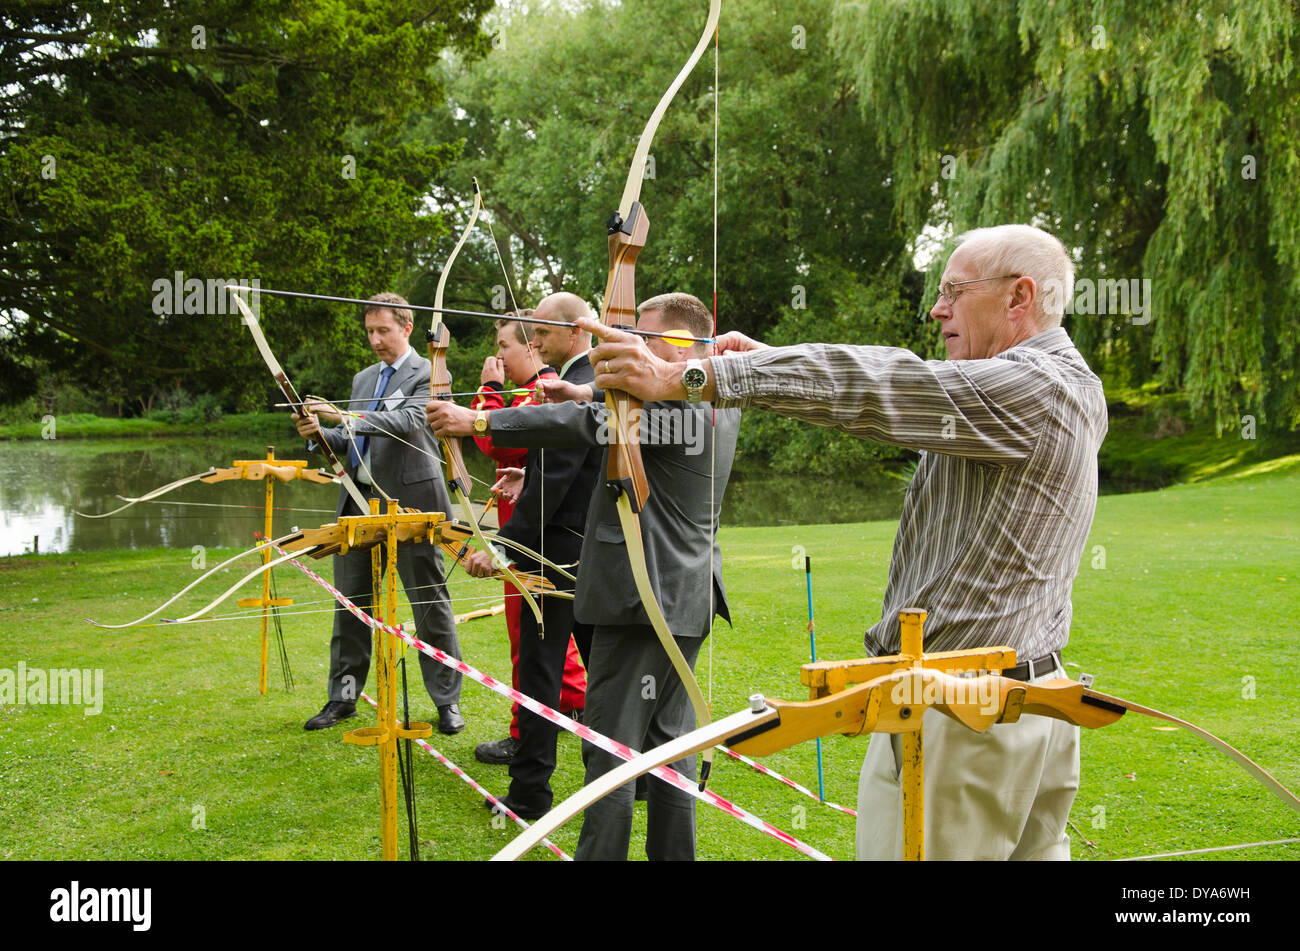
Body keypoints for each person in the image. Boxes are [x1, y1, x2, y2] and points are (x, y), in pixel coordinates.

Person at [583, 225, 1107, 860]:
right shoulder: (1050, 387)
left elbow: (883, 382)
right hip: (1010, 703)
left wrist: (694, 374)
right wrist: (762, 362)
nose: (938, 309)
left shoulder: (1038, 390)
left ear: (1019, 296)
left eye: (953, 292)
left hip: (965, 717)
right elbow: (887, 397)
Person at [435, 291, 739, 859]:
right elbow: (609, 418)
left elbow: (591, 423)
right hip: (688, 597)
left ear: (677, 344)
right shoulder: (720, 396)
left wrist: (478, 417)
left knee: (610, 757)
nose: (633, 351)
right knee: (669, 755)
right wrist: (581, 388)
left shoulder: (673, 408)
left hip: (641, 603)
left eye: (643, 339)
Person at [427, 291, 601, 820]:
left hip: (557, 554)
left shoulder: (577, 379)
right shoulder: (580, 376)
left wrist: (504, 548)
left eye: (542, 332)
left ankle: (529, 794)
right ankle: (629, 776)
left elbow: (559, 473)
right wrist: (526, 478)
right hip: (585, 551)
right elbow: (573, 464)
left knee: (540, 676)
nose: (534, 342)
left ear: (575, 331)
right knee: (602, 669)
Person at [295, 292, 466, 736]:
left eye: (383, 330)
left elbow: (409, 421)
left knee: (429, 604)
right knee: (351, 605)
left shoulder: (429, 371)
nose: (375, 339)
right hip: (359, 503)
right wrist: (321, 433)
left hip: (414, 505)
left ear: (407, 328)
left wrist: (345, 421)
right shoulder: (363, 379)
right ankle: (343, 698)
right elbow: (354, 444)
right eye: (370, 331)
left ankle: (446, 702)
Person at [469, 313, 588, 765]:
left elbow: (492, 441)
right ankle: (572, 703)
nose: (497, 356)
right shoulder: (546, 391)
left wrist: (487, 390)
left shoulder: (544, 391)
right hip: (529, 532)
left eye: (505, 345)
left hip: (535, 537)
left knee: (532, 635)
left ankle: (530, 735)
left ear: (531, 350)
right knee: (546, 633)